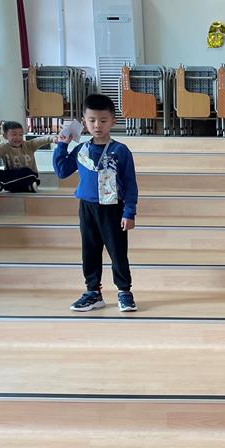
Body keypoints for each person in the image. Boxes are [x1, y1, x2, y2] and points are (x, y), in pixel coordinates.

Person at [53, 93, 138, 312]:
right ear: (84, 122)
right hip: (87, 207)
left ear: (113, 121)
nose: (97, 125)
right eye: (92, 120)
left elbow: (130, 183)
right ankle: (93, 292)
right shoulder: (81, 150)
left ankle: (124, 291)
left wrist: (129, 211)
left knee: (117, 251)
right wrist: (62, 145)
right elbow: (62, 171)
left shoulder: (120, 150)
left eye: (103, 120)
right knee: (89, 251)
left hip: (113, 207)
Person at [0, 120, 54, 192]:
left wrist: (53, 138)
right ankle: (28, 187)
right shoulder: (4, 148)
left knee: (27, 172)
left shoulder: (29, 145)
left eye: (20, 135)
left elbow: (41, 140)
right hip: (13, 175)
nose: (18, 137)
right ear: (5, 136)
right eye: (14, 134)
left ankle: (1, 185)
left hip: (28, 175)